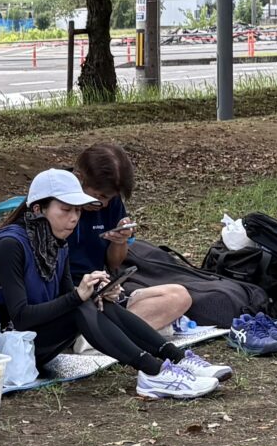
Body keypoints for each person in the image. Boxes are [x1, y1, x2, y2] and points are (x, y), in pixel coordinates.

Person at [0, 168, 226, 400]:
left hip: (32, 340)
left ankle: (176, 358)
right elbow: (21, 317)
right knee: (79, 306)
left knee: (97, 303)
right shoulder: (10, 245)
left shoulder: (56, 242)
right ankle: (153, 372)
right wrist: (78, 296)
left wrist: (94, 293)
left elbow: (64, 296)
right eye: (65, 210)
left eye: (78, 211)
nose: (74, 218)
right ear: (37, 209)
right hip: (4, 352)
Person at [69, 141, 195, 339]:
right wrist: (81, 292)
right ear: (79, 178)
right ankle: (100, 333)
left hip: (99, 292)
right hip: (70, 297)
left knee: (179, 296)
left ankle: (98, 335)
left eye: (109, 198)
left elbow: (114, 264)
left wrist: (120, 241)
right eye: (98, 196)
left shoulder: (110, 204)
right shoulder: (58, 206)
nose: (103, 204)